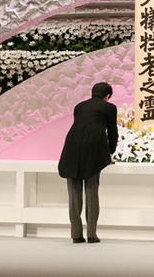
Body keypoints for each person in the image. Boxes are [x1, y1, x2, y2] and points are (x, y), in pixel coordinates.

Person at [58, 81, 118, 244]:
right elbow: (112, 132)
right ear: (107, 96)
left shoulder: (79, 106)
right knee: (92, 189)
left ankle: (76, 235)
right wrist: (111, 151)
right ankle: (92, 234)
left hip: (72, 146)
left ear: (92, 93)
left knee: (74, 190)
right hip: (94, 148)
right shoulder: (109, 108)